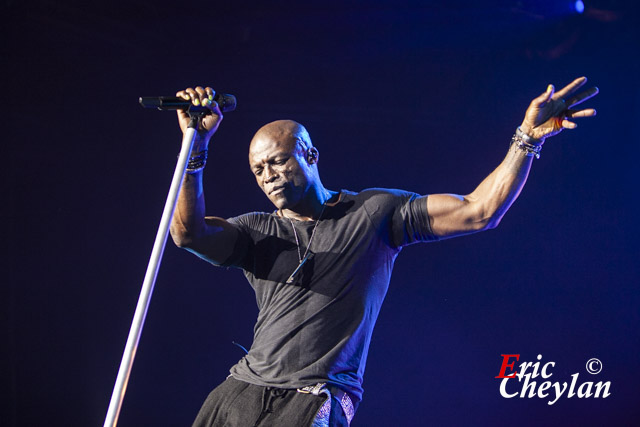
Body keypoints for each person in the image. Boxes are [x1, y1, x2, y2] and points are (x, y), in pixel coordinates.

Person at [169, 77, 598, 426]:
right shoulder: (256, 231)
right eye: (258, 170)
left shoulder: (373, 211)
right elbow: (188, 234)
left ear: (311, 155)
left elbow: (479, 211)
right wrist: (196, 144)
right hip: (240, 391)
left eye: (279, 161)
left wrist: (525, 139)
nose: (268, 176)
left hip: (311, 396)